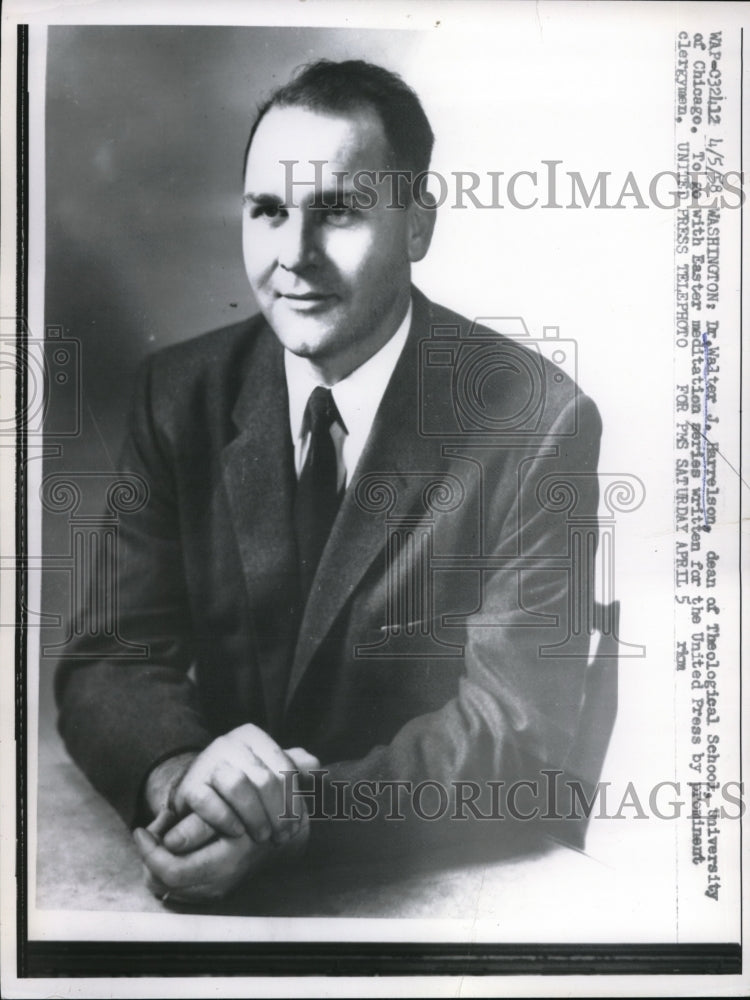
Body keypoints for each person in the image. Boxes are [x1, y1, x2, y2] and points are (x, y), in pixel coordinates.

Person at [55, 59, 602, 904]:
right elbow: (108, 659)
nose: (294, 256)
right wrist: (181, 779)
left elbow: (513, 733)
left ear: (418, 227)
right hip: (214, 853)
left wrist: (298, 818)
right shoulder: (180, 397)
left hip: (443, 889)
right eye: (269, 211)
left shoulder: (537, 423)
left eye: (339, 211)